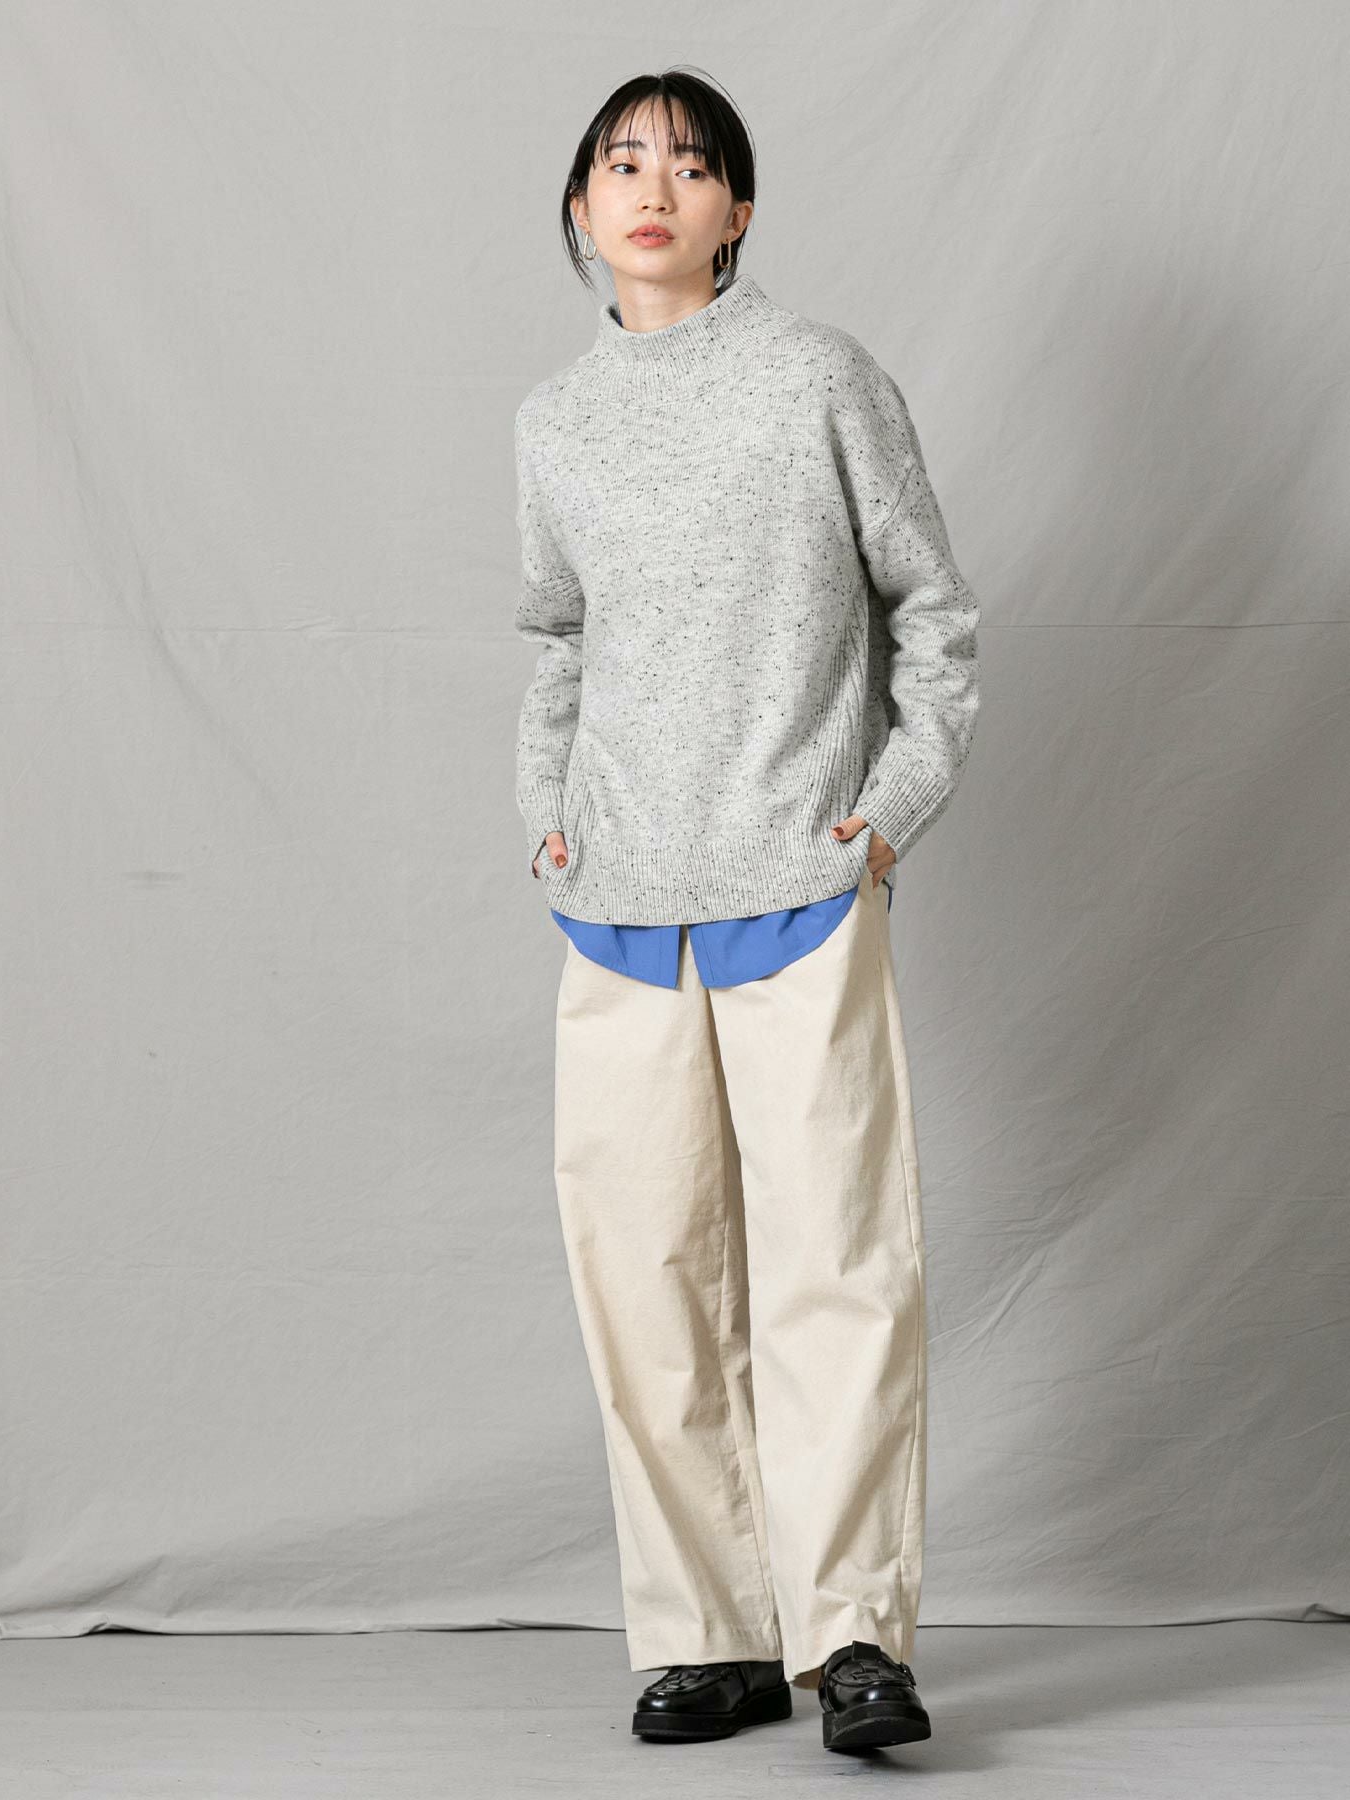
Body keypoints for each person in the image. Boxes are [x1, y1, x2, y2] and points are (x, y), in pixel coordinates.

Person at [512, 66, 979, 1756]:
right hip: (621, 902)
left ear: (740, 209)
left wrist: (891, 806)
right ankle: (708, 1632)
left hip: (797, 879)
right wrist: (546, 817)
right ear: (583, 208)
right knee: (644, 1273)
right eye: (624, 162)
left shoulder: (819, 379)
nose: (656, 188)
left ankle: (852, 1637)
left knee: (834, 1265)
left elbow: (935, 615)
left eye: (693, 164)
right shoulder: (554, 423)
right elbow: (558, 638)